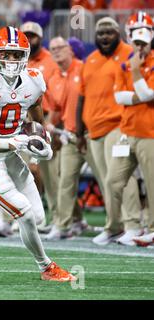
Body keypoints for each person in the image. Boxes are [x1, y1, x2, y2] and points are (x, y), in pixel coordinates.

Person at [0, 26, 75, 281]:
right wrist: (13, 143)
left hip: (12, 152)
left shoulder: (34, 80)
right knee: (23, 211)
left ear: (25, 55)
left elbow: (37, 124)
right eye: (6, 54)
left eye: (16, 54)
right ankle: (46, 267)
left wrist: (40, 147)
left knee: (38, 218)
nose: (11, 60)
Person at [76, 17, 142, 246]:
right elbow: (82, 98)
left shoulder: (129, 54)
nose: (104, 37)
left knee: (122, 178)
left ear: (119, 34)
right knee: (107, 182)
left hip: (118, 125)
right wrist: (79, 132)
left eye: (109, 32)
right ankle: (115, 226)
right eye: (101, 33)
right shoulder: (90, 60)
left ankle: (133, 224)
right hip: (93, 130)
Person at [44, 36, 100, 240]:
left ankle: (119, 225)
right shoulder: (54, 78)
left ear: (70, 50)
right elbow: (56, 109)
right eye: (53, 48)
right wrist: (49, 127)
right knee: (65, 180)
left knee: (106, 180)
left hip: (90, 135)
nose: (57, 51)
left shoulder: (83, 68)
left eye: (60, 47)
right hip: (69, 136)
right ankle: (62, 225)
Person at [110, 26, 154, 247]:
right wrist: (142, 96)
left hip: (150, 133)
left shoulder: (139, 65)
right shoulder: (123, 65)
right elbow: (119, 97)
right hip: (127, 132)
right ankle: (133, 224)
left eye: (143, 43)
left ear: (149, 43)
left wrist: (136, 72)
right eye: (136, 43)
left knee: (152, 182)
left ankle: (153, 229)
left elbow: (149, 94)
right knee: (115, 180)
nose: (139, 47)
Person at [20, 21, 60, 228]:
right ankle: (31, 217)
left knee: (47, 173)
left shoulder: (50, 62)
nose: (29, 40)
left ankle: (55, 218)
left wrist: (48, 126)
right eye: (25, 36)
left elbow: (55, 98)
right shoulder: (17, 59)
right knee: (25, 171)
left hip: (42, 120)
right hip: (21, 122)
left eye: (32, 36)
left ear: (40, 38)